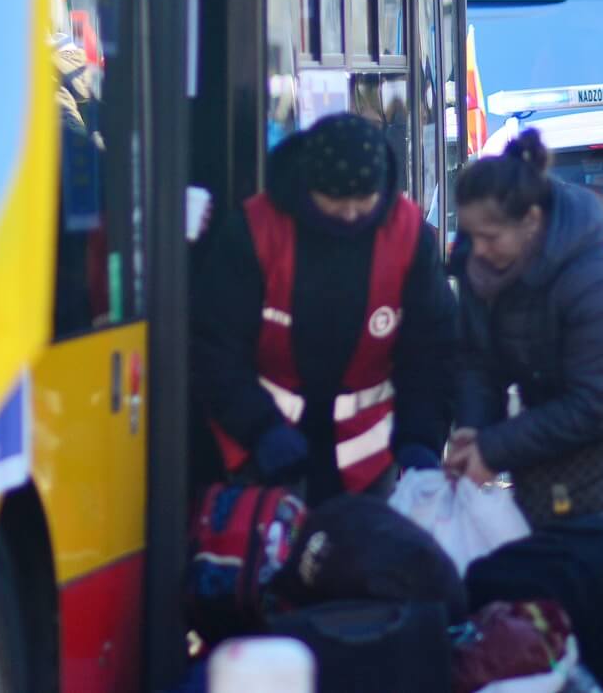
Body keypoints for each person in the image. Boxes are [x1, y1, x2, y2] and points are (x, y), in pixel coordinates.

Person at [445, 130, 603, 587]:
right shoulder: (482, 261)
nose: (478, 249)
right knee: (566, 602)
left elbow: (598, 403)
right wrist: (473, 426)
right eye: (470, 235)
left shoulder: (593, 276)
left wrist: (493, 448)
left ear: (531, 221)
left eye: (489, 236)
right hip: (560, 445)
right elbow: (476, 361)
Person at [192, 113, 456, 503]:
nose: (350, 214)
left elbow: (433, 349)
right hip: (265, 450)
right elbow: (215, 346)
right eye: (336, 202)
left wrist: (422, 438)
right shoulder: (254, 231)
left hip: (367, 459)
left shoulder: (408, 234)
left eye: (362, 202)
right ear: (309, 187)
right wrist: (260, 427)